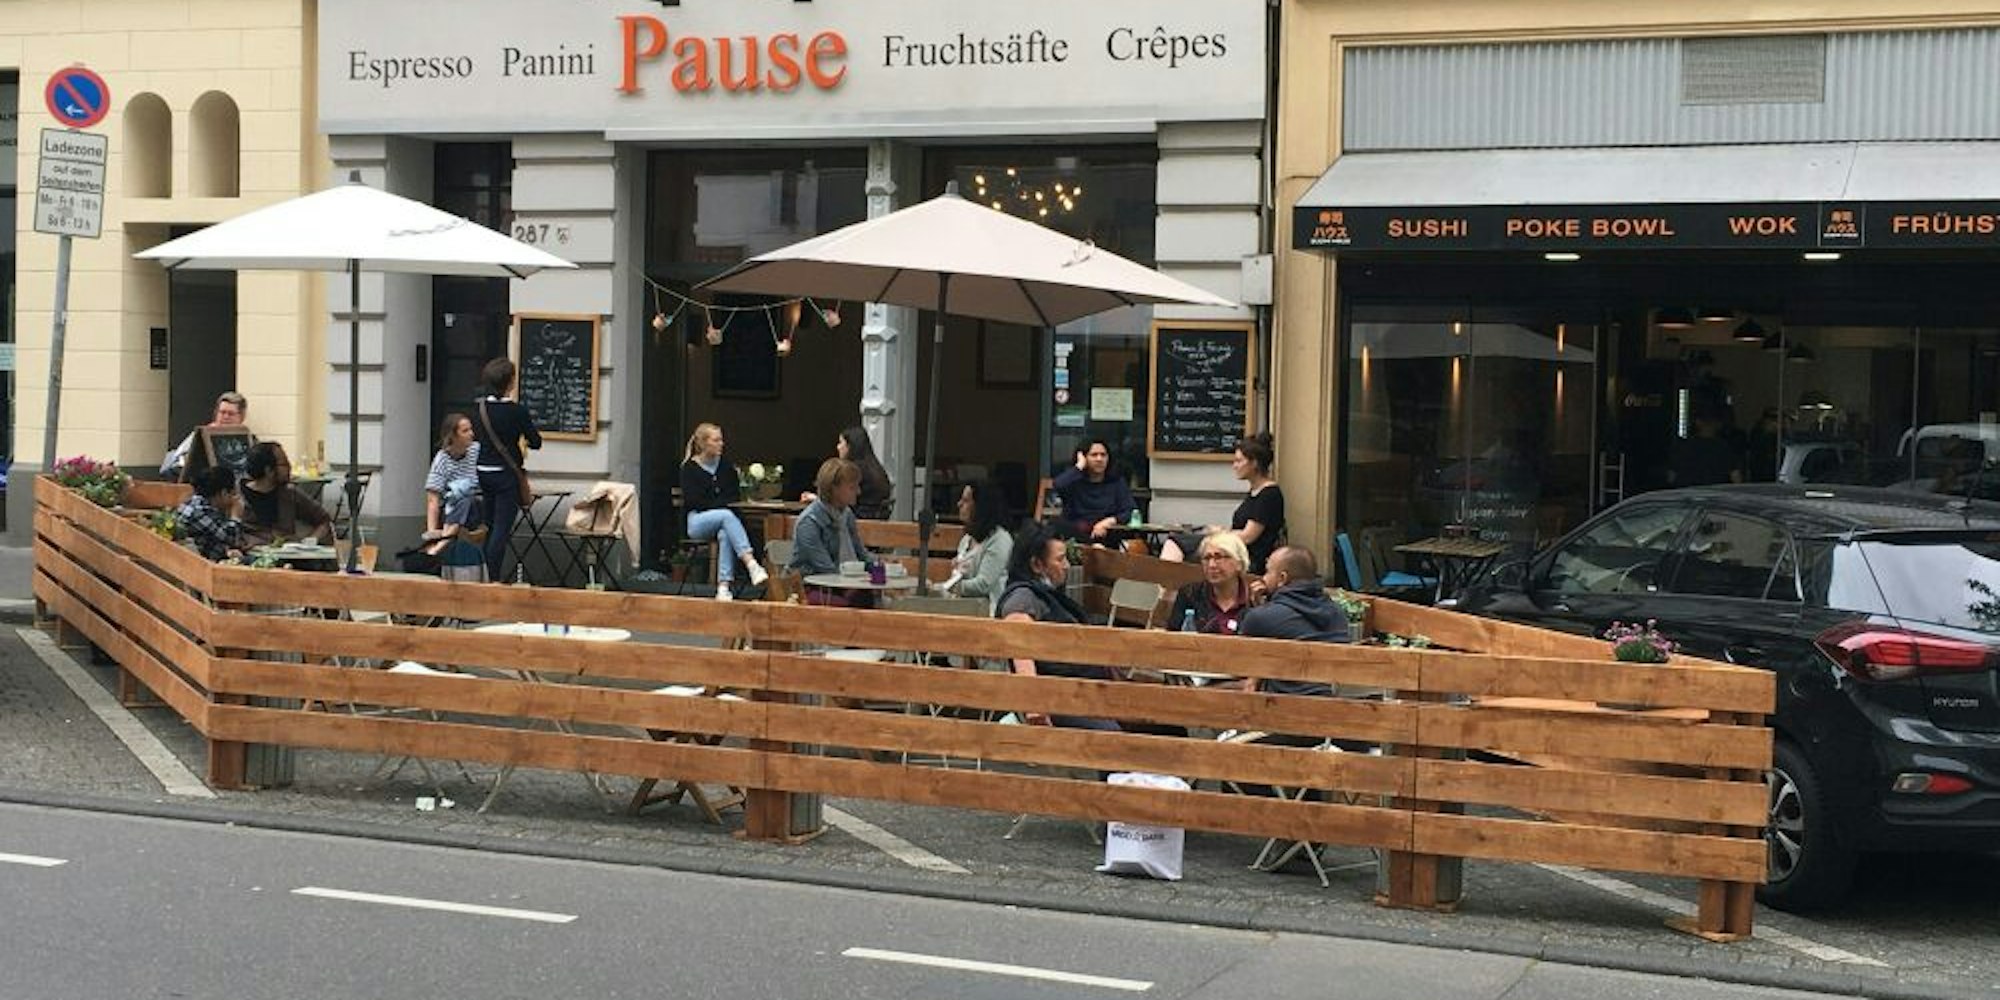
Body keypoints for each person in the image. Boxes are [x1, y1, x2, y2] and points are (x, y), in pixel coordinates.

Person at [996, 521, 1118, 730]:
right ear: (1037, 565)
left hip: (1083, 692)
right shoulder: (1023, 598)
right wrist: (1034, 707)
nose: (1067, 566)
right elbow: (1020, 649)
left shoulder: (1046, 596)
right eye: (1060, 560)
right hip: (1058, 700)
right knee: (1112, 734)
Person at [1162, 432, 1285, 573]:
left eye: (1239, 461)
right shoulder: (1255, 492)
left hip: (1248, 558)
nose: (1234, 466)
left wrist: (1218, 535)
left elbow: (1248, 536)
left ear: (1254, 463)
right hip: (1235, 551)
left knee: (1177, 542)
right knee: (1179, 543)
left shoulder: (1269, 494)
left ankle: (1167, 583)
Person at [1240, 546, 1347, 697]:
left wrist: (1258, 606)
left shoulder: (1262, 617)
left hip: (1285, 704)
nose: (1263, 578)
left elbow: (1240, 657)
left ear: (1282, 578)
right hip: (1331, 700)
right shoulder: (1336, 612)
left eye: (1268, 571)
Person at [680, 422, 770, 602]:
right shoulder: (689, 468)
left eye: (721, 440)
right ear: (704, 443)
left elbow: (733, 496)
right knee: (726, 516)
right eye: (716, 440)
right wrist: (720, 505)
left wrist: (717, 503)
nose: (721, 444)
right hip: (698, 520)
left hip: (724, 520)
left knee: (725, 533)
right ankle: (751, 563)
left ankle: (723, 587)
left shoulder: (726, 467)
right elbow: (694, 501)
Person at [470, 358, 542, 581]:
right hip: (505, 474)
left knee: (489, 525)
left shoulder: (479, 408)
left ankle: (480, 574)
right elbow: (535, 441)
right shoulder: (516, 411)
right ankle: (492, 578)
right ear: (510, 382)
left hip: (482, 471)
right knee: (501, 529)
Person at [789, 457, 873, 607]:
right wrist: (858, 581)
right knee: (852, 602)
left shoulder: (847, 514)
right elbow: (825, 568)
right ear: (834, 489)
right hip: (812, 586)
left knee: (868, 596)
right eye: (852, 487)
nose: (858, 491)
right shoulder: (809, 522)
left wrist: (880, 567)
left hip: (842, 582)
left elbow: (860, 552)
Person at [236, 442, 335, 548]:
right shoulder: (236, 496)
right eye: (284, 464)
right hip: (248, 555)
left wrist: (311, 541)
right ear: (268, 470)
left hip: (286, 554)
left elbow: (324, 520)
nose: (289, 467)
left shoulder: (289, 494)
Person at [1167, 532, 1254, 636]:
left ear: (1239, 564)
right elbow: (1172, 635)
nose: (1211, 565)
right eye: (1207, 558)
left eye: (1219, 557)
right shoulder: (1190, 594)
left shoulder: (1254, 600)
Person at [422, 412, 486, 554]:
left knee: (467, 500)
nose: (471, 434)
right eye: (465, 431)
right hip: (451, 510)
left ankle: (441, 545)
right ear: (453, 436)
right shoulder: (442, 459)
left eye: (471, 429)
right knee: (461, 502)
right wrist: (431, 532)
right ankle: (443, 540)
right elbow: (432, 498)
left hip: (477, 508)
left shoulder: (477, 450)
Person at [946, 480, 1014, 611]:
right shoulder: (966, 539)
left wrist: (948, 587)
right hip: (963, 607)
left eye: (966, 501)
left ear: (981, 506)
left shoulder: (1000, 539)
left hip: (989, 611)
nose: (959, 504)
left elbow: (983, 584)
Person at [1051, 439, 1137, 541]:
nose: (1099, 459)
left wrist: (1109, 521)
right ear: (1084, 457)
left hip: (1108, 536)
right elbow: (1058, 485)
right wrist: (1079, 466)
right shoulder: (1074, 481)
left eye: (1103, 455)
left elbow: (1130, 511)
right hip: (1077, 537)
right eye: (1094, 455)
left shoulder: (1116, 482)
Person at [802, 426, 894, 520]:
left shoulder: (852, 471)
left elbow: (841, 501)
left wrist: (816, 499)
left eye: (841, 442)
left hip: (858, 519)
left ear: (850, 446)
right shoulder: (875, 467)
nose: (838, 447)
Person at [160, 391, 252, 479]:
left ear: (241, 416)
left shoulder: (249, 440)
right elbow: (176, 460)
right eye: (222, 412)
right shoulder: (202, 434)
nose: (225, 417)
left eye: (230, 414)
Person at [174, 466, 246, 562]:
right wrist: (235, 515)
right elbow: (231, 539)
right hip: (197, 563)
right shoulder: (198, 512)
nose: (236, 498)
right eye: (233, 494)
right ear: (224, 493)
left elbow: (218, 537)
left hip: (199, 557)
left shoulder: (197, 502)